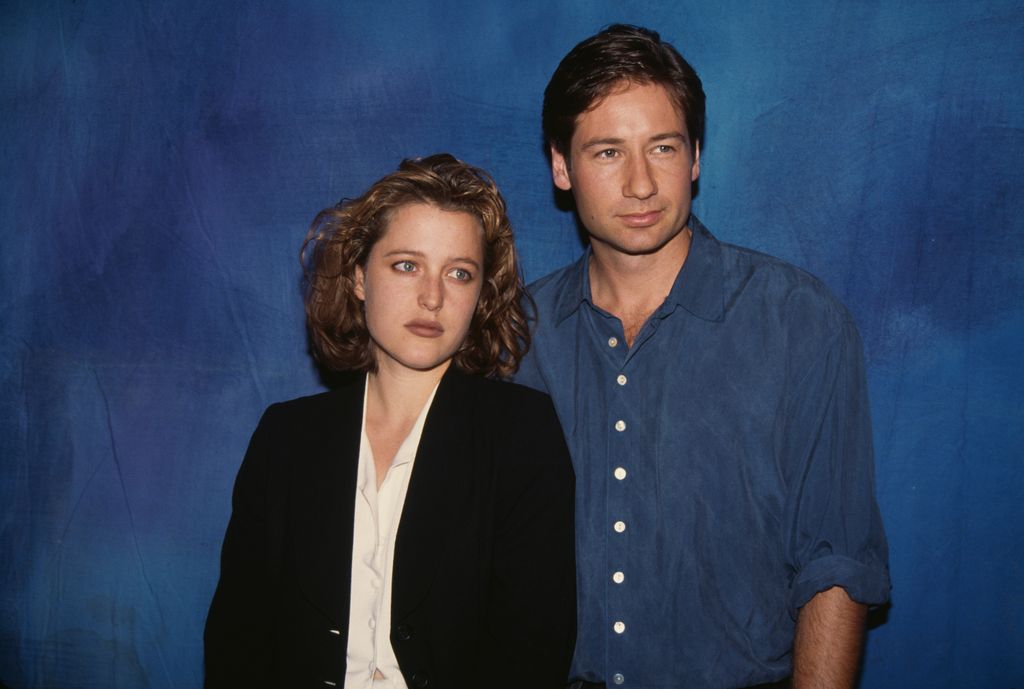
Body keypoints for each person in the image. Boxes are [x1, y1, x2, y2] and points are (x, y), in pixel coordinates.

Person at [515, 25, 890, 689]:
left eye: (663, 147)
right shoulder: (515, 337)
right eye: (608, 152)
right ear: (562, 167)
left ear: (694, 158)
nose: (640, 183)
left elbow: (836, 564)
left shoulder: (799, 322)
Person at [204, 154, 576, 689]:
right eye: (406, 265)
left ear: (480, 296)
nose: (432, 297)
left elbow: (532, 652)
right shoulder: (286, 438)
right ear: (359, 277)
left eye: (459, 273)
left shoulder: (522, 436)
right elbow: (237, 641)